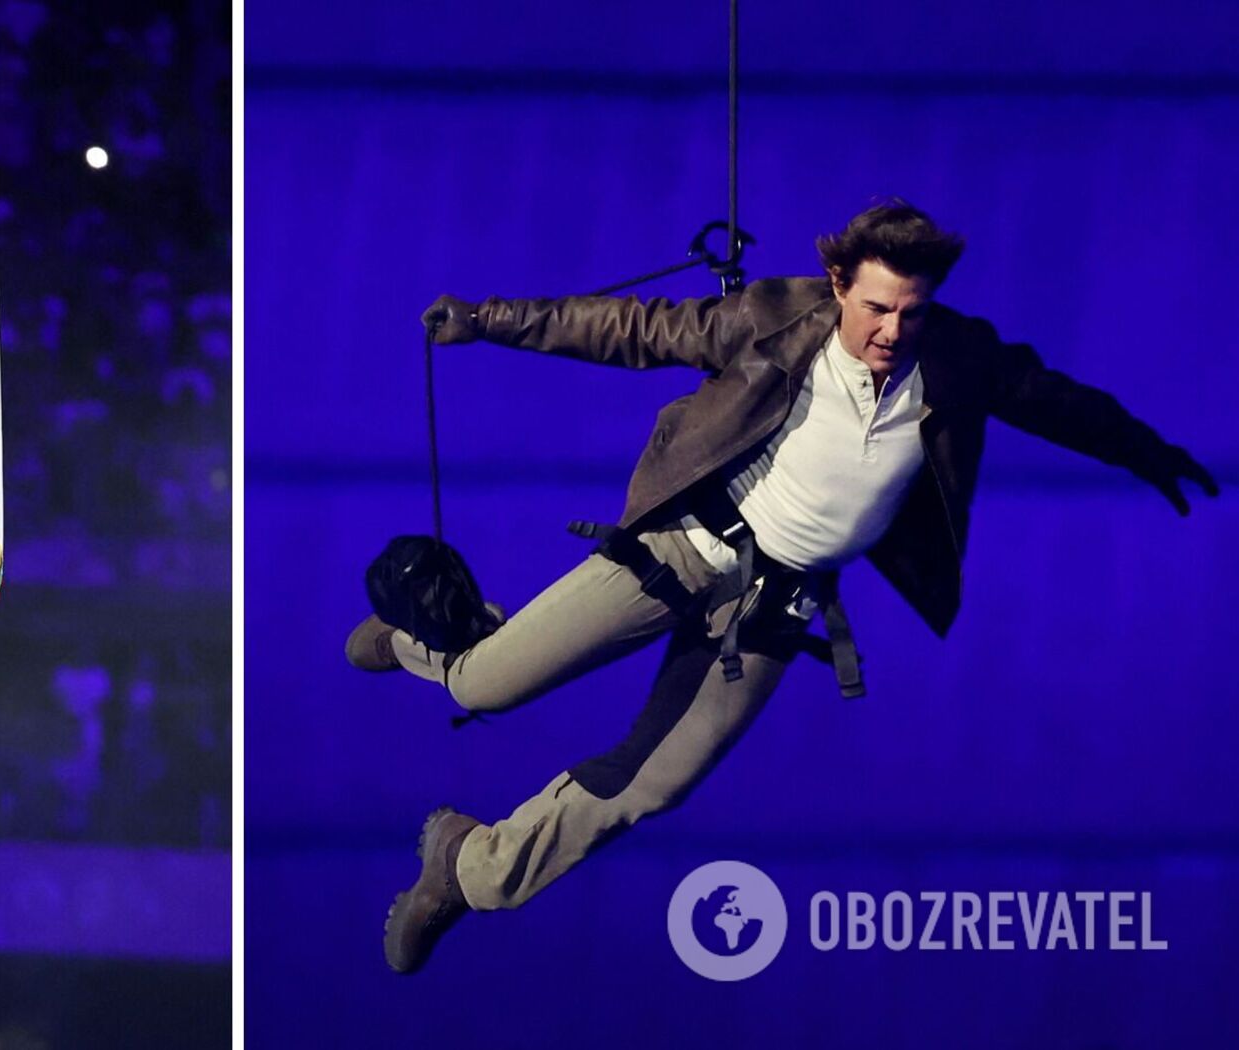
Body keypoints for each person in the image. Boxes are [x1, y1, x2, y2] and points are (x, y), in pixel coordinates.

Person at [359, 200, 1218, 974]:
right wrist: (488, 320)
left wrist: (1147, 451)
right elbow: (632, 328)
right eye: (876, 307)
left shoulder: (956, 357)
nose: (892, 329)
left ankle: (468, 869)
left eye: (910, 312)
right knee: (487, 682)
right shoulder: (775, 319)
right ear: (840, 284)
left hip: (773, 606)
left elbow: (1056, 401)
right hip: (686, 548)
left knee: (656, 783)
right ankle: (410, 642)